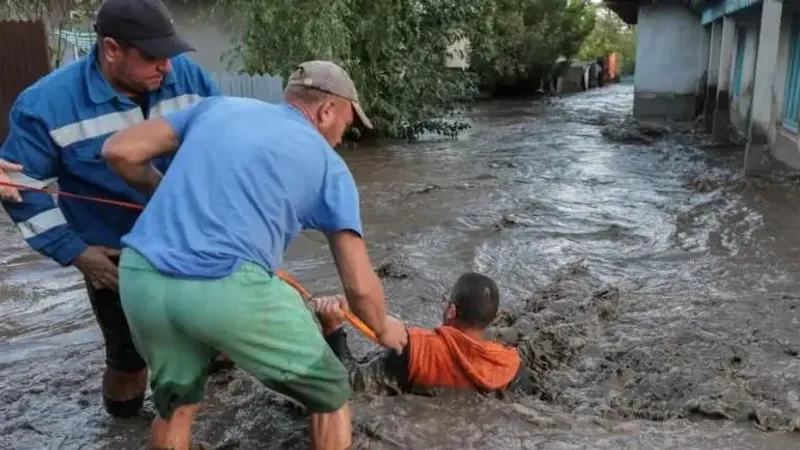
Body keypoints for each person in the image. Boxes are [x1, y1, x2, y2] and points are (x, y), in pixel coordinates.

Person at [101, 60, 407, 450]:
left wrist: (165, 195)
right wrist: (383, 329)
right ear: (326, 111)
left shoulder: (219, 107)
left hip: (140, 275)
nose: (341, 137)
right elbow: (360, 289)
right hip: (223, 285)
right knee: (331, 391)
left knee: (175, 406)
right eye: (346, 124)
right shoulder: (331, 167)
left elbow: (119, 151)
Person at [0, 0, 218, 419]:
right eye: (153, 58)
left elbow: (224, 146)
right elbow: (20, 188)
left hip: (195, 242)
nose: (167, 69)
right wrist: (77, 254)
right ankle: (121, 430)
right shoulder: (45, 105)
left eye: (170, 56)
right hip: (115, 260)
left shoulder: (189, 79)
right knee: (128, 362)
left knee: (214, 336)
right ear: (111, 48)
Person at [312, 272, 534, 396]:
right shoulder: (512, 368)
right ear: (490, 318)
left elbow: (350, 387)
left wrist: (333, 329)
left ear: (451, 310)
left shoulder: (415, 350)